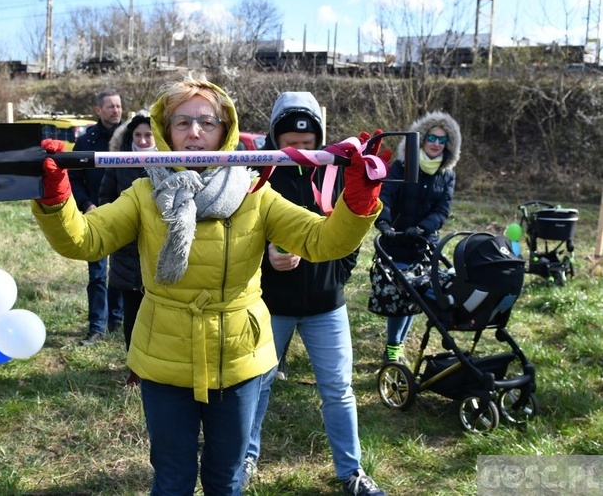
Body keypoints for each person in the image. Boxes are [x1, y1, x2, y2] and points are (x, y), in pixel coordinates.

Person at [31, 73, 384, 495]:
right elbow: (85, 240)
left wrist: (358, 201)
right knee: (172, 478)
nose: (194, 132)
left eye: (207, 122)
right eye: (181, 122)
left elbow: (323, 241)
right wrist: (54, 196)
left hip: (238, 356)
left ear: (225, 131)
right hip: (164, 354)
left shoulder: (256, 191)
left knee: (225, 478)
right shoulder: (144, 194)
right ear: (166, 132)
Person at [243, 92, 386, 496]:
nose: (300, 152)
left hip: (327, 306)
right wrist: (266, 260)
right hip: (273, 306)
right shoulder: (256, 175)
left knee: (339, 391)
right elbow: (240, 238)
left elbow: (354, 226)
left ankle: (351, 472)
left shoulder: (337, 172)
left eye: (308, 145)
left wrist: (337, 273)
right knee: (258, 384)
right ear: (274, 138)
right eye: (290, 143)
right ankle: (245, 459)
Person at [374, 110, 461, 364]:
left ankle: (398, 345)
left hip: (424, 244)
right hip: (397, 241)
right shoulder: (401, 167)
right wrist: (384, 222)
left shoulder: (447, 174)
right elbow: (386, 195)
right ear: (422, 139)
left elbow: (442, 209)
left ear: (448, 145)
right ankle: (392, 348)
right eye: (432, 138)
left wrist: (423, 227)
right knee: (401, 297)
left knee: (416, 298)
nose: (436, 144)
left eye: (442, 140)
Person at [98, 109, 155, 386]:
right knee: (132, 313)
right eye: (138, 135)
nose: (143, 141)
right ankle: (135, 369)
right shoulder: (120, 162)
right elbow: (106, 197)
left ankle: (157, 366)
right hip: (128, 251)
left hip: (159, 250)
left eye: (148, 135)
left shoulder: (172, 162)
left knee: (158, 313)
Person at [71, 89, 125, 345]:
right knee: (97, 274)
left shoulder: (130, 136)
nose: (116, 110)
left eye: (118, 106)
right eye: (110, 107)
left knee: (122, 271)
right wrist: (86, 204)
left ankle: (117, 320)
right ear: (98, 110)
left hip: (125, 215)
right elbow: (74, 178)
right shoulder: (86, 141)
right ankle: (96, 327)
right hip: (95, 216)